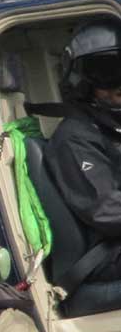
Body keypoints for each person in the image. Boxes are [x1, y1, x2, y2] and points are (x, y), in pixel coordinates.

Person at [44, 18, 121, 283]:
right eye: (107, 72)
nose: (118, 84)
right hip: (107, 253)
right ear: (82, 80)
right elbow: (107, 210)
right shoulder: (74, 137)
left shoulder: (109, 127)